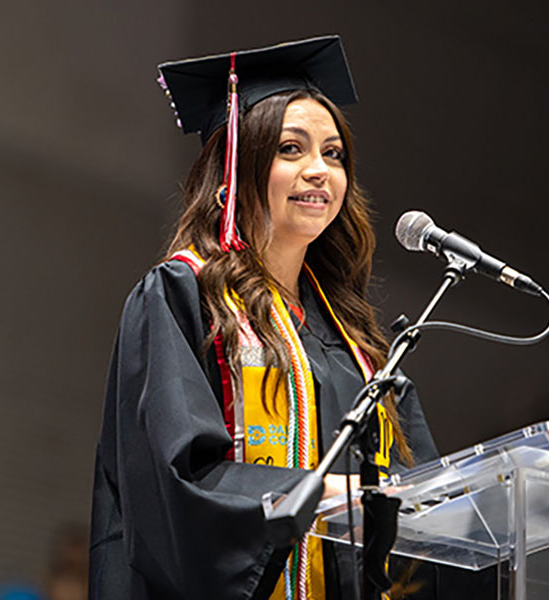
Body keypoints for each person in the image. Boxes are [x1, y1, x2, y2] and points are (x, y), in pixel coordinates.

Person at [88, 36, 438, 600]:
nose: (320, 170)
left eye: (334, 154)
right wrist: (334, 495)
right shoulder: (184, 294)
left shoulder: (359, 344)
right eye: (291, 149)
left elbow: (425, 499)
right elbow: (175, 483)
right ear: (238, 166)